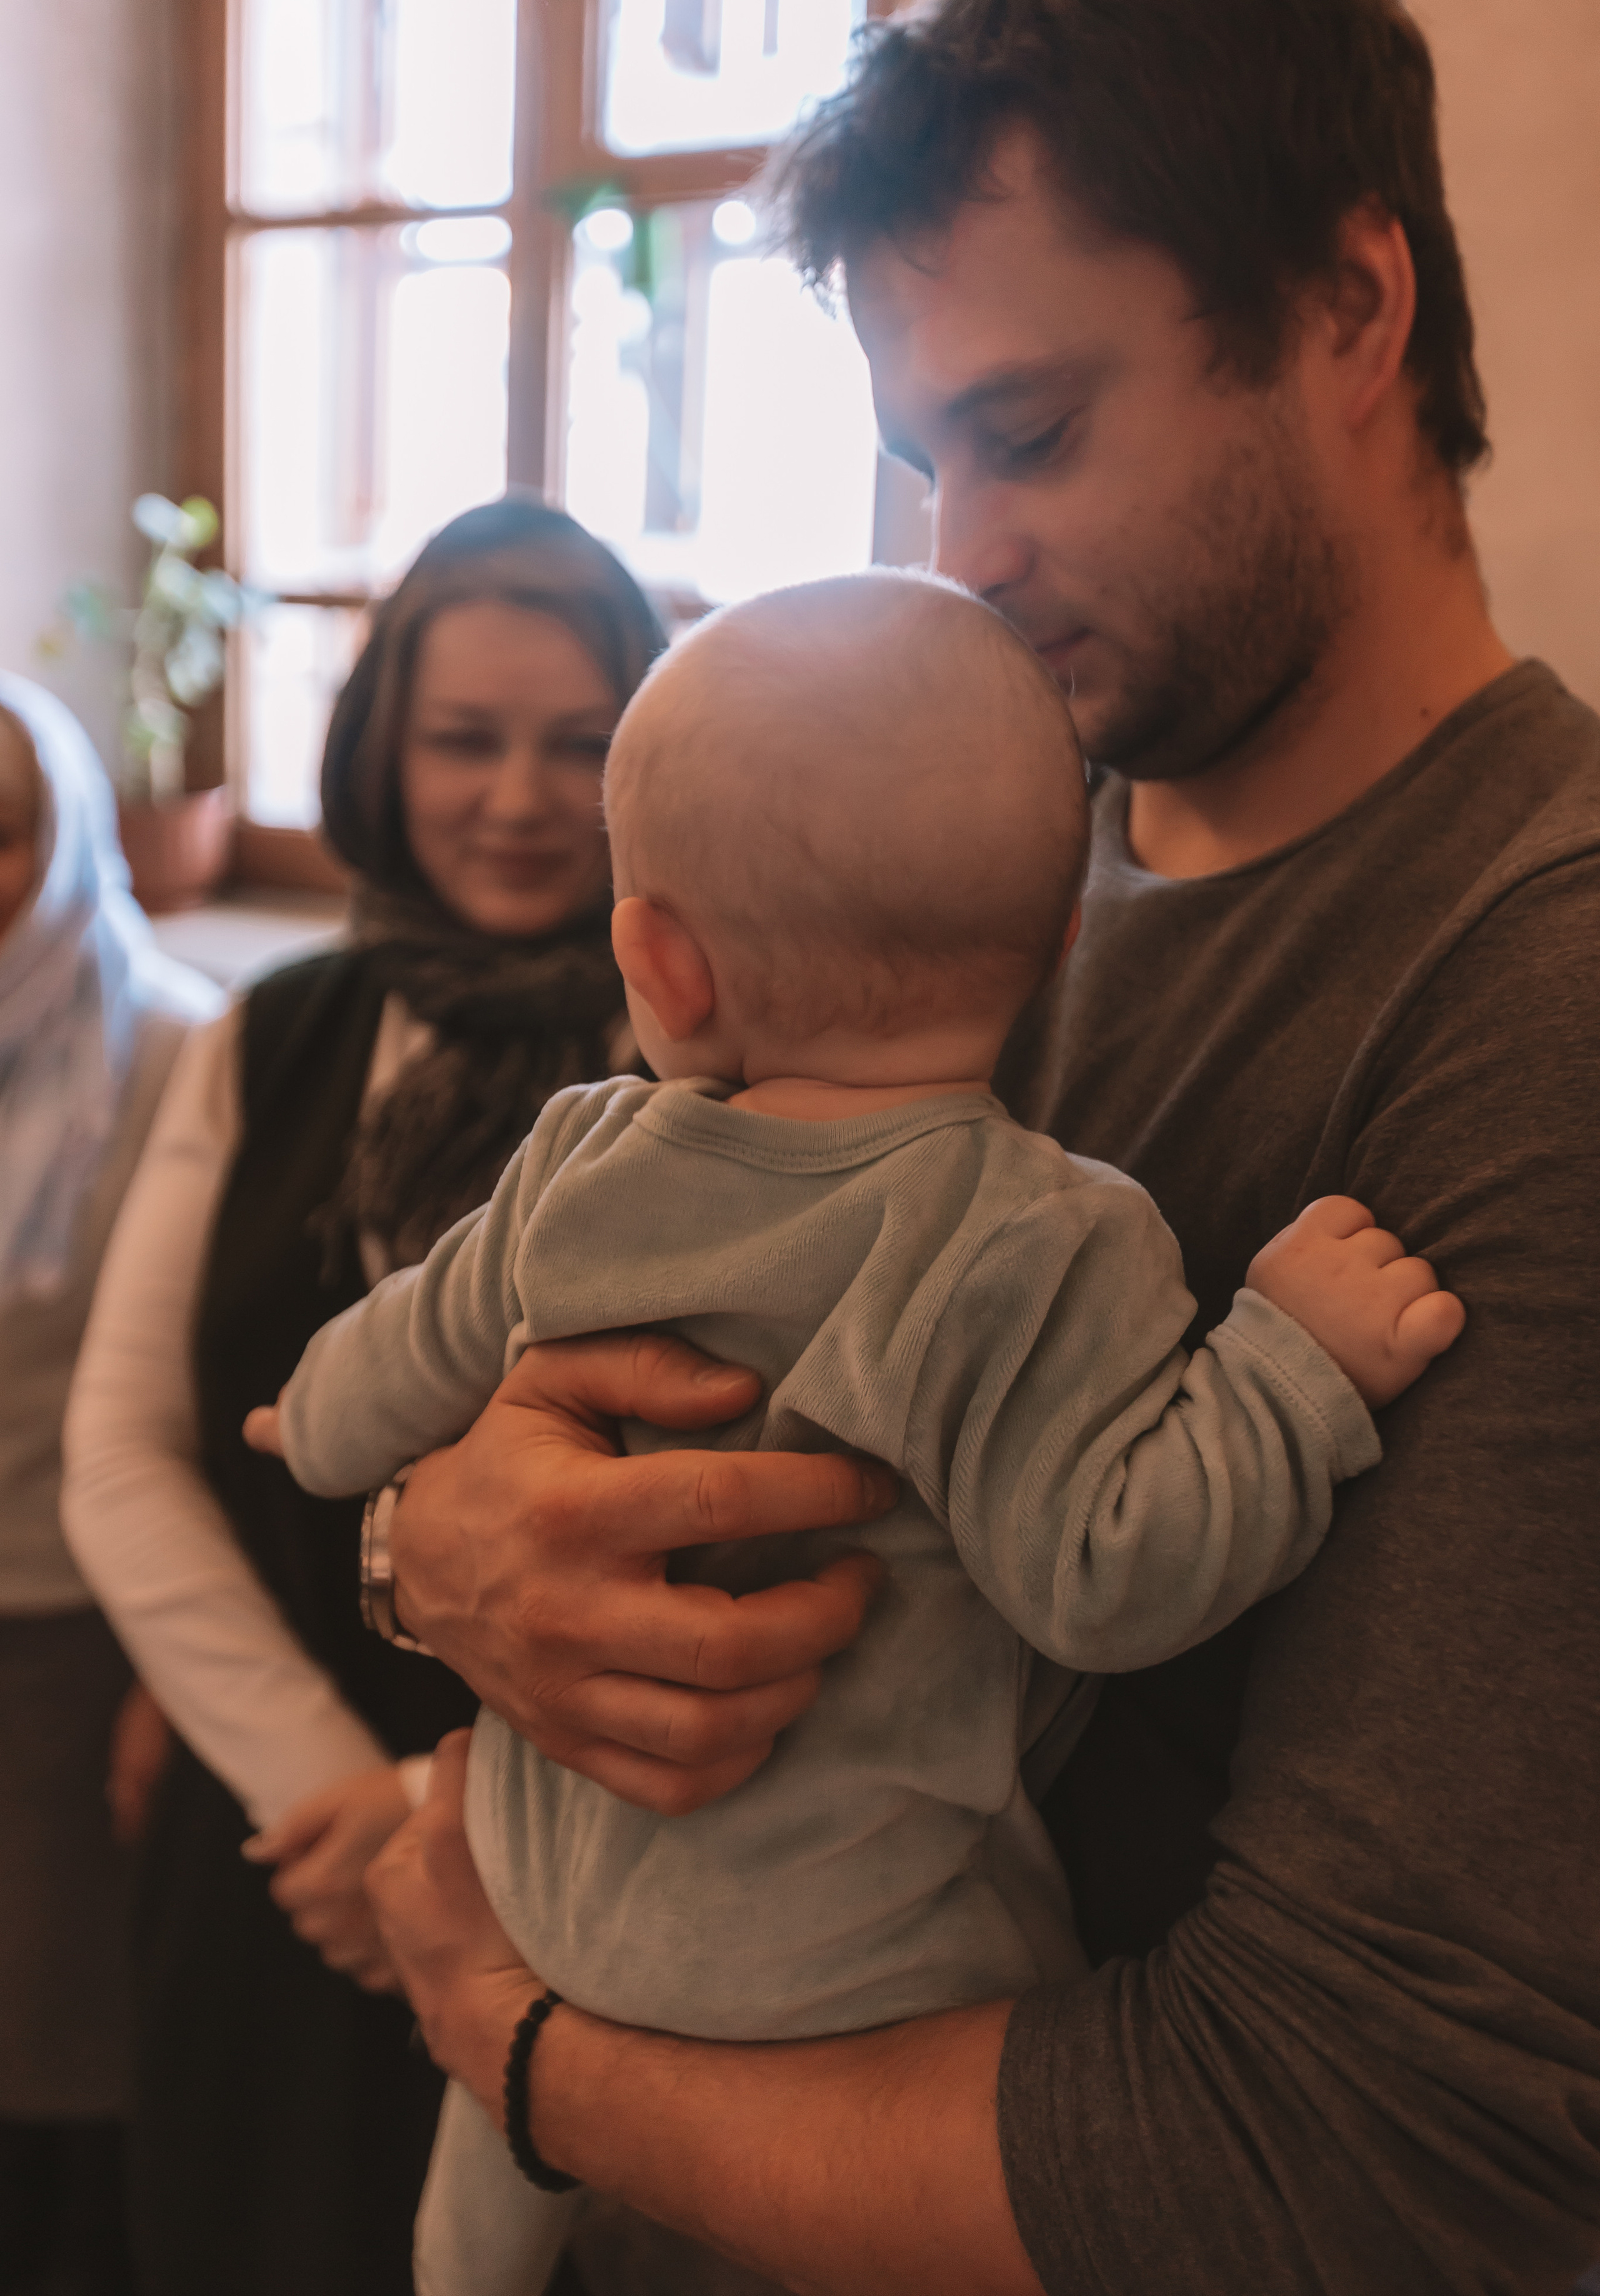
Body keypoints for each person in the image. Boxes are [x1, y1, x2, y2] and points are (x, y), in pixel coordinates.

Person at [351, 0, 1600, 2295]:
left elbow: (1358, 2159)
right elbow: (531, 1387)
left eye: (1026, 435)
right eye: (921, 455)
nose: (963, 551)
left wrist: (516, 2043)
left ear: (1352, 315)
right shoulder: (945, 865)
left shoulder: (1535, 989)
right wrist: (446, 1558)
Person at [260, 569, 1462, 2296]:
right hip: (851, 1974)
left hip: (536, 1899)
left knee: (482, 2194)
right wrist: (1292, 1364)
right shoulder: (1038, 1237)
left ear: (655, 958)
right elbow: (1109, 1577)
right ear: (1063, 942)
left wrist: (307, 1420)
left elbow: (409, 1354)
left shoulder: (583, 1153)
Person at [60, 497, 667, 2296]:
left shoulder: (710, 1062)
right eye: (463, 740)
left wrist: (447, 1810)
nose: (518, 796)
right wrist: (342, 1789)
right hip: (281, 1845)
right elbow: (125, 1458)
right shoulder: (278, 1030)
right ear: (381, 744)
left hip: (596, 1862)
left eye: (582, 746)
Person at [0, 676, 218, 2292]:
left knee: (65, 2051)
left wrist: (163, 1677)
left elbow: (201, 1402)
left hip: (77, 1629)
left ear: (68, 835)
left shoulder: (174, 1053)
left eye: (2, 838)